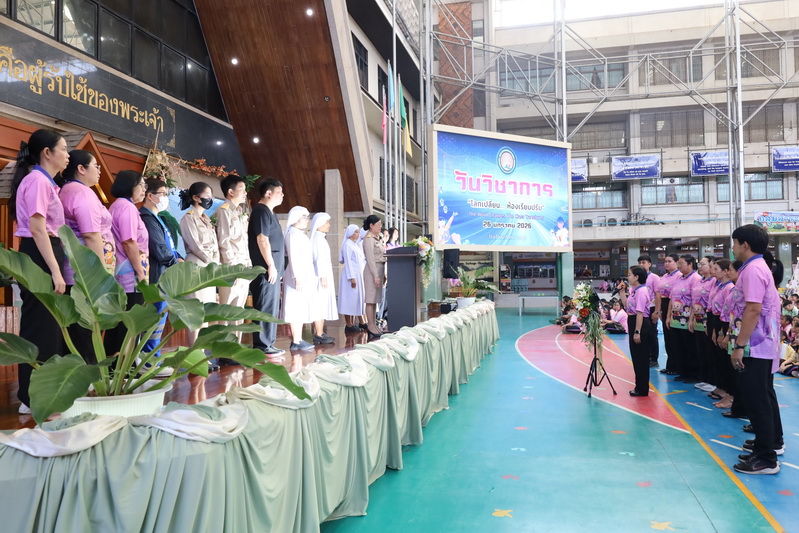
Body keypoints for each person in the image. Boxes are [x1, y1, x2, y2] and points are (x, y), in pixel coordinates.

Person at [10, 129, 69, 414]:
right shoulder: (37, 181)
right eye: (63, 149)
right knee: (40, 326)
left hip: (48, 250)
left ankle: (42, 396)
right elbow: (37, 228)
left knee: (50, 326)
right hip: (39, 252)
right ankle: (32, 398)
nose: (67, 155)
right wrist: (55, 271)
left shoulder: (46, 182)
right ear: (47, 153)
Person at [728, 224, 784, 474]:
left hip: (756, 345)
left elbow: (753, 309)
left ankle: (766, 459)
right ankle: (767, 444)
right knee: (762, 396)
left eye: (734, 243)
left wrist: (739, 345)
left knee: (757, 399)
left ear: (745, 245)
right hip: (762, 344)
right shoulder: (757, 267)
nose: (732, 248)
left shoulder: (752, 270)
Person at [59, 150, 115, 365]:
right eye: (96, 166)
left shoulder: (70, 189)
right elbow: (91, 235)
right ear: (81, 169)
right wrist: (101, 276)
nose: (99, 170)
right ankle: (89, 379)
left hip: (77, 272)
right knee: (85, 333)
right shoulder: (81, 192)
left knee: (79, 333)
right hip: (86, 274)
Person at [140, 179, 181, 374]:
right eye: (163, 194)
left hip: (164, 276)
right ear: (150, 196)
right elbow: (158, 248)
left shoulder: (156, 217)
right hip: (156, 276)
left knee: (159, 321)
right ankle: (148, 363)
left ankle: (153, 360)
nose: (166, 198)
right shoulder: (146, 218)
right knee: (153, 321)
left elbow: (168, 245)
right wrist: (175, 261)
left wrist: (177, 256)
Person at [106, 170, 149, 357]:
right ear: (130, 186)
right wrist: (140, 273)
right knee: (129, 324)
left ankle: (115, 366)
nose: (144, 189)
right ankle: (124, 366)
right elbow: (129, 242)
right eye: (141, 185)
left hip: (121, 270)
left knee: (119, 324)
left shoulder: (118, 205)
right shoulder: (127, 208)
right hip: (129, 274)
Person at [179, 182, 220, 350]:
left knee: (206, 312)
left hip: (209, 267)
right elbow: (195, 246)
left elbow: (215, 244)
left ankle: (202, 352)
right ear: (196, 198)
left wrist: (216, 262)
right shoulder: (188, 218)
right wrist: (211, 261)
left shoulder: (206, 219)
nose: (210, 199)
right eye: (207, 196)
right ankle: (195, 353)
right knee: (196, 312)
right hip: (197, 265)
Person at [248, 178, 286, 359]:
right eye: (279, 192)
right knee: (264, 306)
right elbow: (262, 239)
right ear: (269, 193)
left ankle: (268, 343)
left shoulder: (270, 212)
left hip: (273, 269)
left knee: (271, 307)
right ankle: (262, 345)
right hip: (265, 268)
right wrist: (271, 265)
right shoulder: (261, 211)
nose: (282, 196)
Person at [215, 174, 252, 347]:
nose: (245, 193)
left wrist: (248, 265)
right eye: (241, 189)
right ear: (231, 192)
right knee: (227, 309)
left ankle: (234, 346)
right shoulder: (224, 211)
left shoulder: (238, 211)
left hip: (243, 267)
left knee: (238, 310)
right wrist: (232, 269)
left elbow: (243, 241)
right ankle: (223, 348)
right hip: (232, 268)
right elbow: (224, 242)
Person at [281, 206, 315, 361]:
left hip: (303, 274)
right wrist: (297, 277)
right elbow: (294, 257)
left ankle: (299, 338)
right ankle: (295, 340)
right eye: (304, 217)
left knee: (300, 307)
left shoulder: (299, 234)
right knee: (295, 307)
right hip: (297, 275)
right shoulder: (292, 234)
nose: (306, 220)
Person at [666, 255, 701, 382]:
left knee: (689, 347)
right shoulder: (679, 278)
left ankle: (693, 374)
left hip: (687, 320)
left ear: (690, 264)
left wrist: (691, 319)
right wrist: (668, 316)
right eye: (678, 264)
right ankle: (683, 372)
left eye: (681, 263)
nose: (679, 266)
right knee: (678, 347)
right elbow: (672, 299)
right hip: (675, 319)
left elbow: (695, 300)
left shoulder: (695, 278)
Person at [621, 265, 654, 396]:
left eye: (629, 275)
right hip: (632, 320)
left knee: (641, 357)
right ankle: (639, 386)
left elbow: (640, 313)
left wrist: (637, 332)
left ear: (636, 277)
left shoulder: (641, 291)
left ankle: (642, 388)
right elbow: (627, 306)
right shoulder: (634, 290)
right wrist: (621, 292)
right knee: (636, 357)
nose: (628, 277)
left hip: (640, 324)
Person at [689, 256, 717, 393]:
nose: (700, 267)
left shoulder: (714, 282)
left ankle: (712, 380)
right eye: (699, 264)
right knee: (700, 350)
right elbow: (694, 302)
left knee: (709, 351)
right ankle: (703, 378)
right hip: (698, 319)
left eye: (703, 264)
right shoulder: (699, 281)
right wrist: (691, 319)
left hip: (708, 320)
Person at [309, 212, 337, 344]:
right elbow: (319, 259)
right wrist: (323, 276)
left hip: (324, 274)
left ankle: (320, 332)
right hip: (320, 276)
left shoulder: (320, 238)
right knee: (319, 304)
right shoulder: (317, 239)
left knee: (322, 303)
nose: (329, 225)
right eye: (326, 222)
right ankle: (318, 333)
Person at [362, 214, 386, 339]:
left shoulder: (377, 238)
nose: (380, 227)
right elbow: (370, 259)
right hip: (372, 271)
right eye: (378, 224)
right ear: (371, 225)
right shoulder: (368, 239)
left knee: (375, 300)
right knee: (370, 300)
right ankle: (370, 326)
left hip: (379, 270)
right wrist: (376, 275)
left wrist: (383, 274)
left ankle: (374, 325)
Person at [338, 224, 366, 333]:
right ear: (350, 233)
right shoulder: (347, 245)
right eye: (356, 232)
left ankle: (353, 323)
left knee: (354, 300)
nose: (358, 234)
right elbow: (348, 262)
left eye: (358, 232)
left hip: (357, 275)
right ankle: (348, 324)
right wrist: (352, 277)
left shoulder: (354, 245)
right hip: (350, 276)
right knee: (349, 300)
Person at [656, 254, 681, 375]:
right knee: (667, 338)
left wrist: (669, 314)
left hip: (673, 305)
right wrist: (660, 310)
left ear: (676, 262)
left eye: (669, 261)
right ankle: (669, 365)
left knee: (674, 338)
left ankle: (676, 366)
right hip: (664, 305)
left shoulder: (679, 276)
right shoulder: (665, 276)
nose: (666, 263)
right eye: (665, 261)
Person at [637, 254, 661, 367]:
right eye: (639, 263)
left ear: (650, 264)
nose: (641, 265)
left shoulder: (654, 277)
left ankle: (654, 358)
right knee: (643, 333)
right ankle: (645, 356)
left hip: (651, 308)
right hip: (641, 309)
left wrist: (657, 311)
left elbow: (658, 295)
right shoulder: (638, 277)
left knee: (652, 334)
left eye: (644, 263)